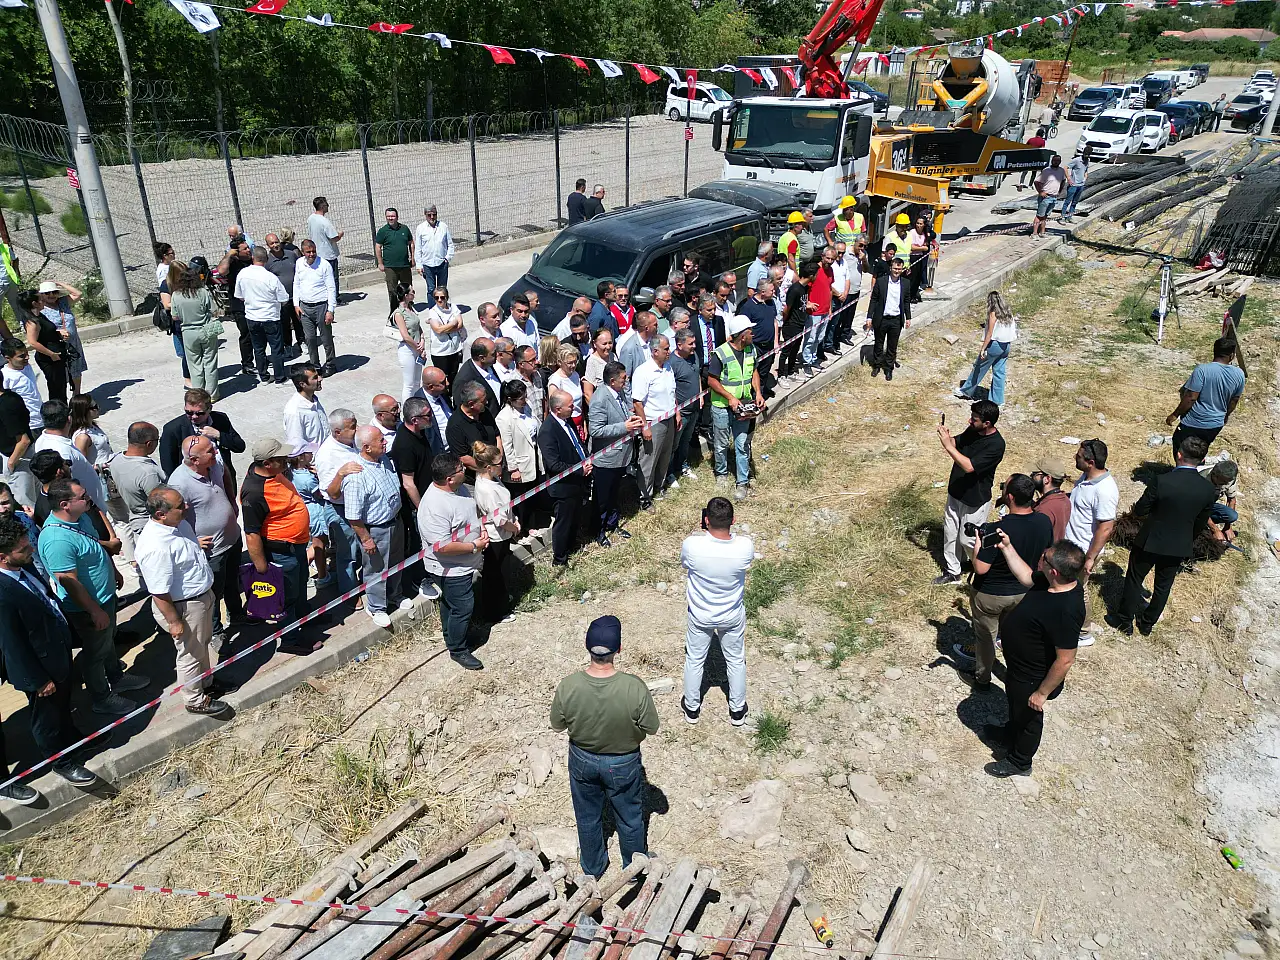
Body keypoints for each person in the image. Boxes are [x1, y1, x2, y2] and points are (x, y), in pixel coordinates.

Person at [550, 615, 659, 879]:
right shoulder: (634, 687)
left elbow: (557, 724)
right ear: (618, 649)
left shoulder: (569, 686)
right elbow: (652, 727)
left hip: (582, 759)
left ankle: (593, 868)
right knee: (629, 817)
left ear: (588, 647)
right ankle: (633, 870)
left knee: (587, 816)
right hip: (623, 762)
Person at [0, 513, 96, 789]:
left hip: (57, 652)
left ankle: (74, 742)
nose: (31, 548)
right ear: (3, 557)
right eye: (23, 548)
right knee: (47, 719)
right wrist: (37, 680)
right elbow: (12, 644)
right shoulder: (3, 592)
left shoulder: (23, 568)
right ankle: (61, 761)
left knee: (64, 706)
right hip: (40, 668)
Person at [38, 478, 147, 715]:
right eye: (83, 496)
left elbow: (94, 548)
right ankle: (101, 698)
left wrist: (113, 569)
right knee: (95, 653)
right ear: (65, 504)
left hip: (105, 598)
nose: (88, 498)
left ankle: (116, 677)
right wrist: (94, 610)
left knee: (107, 643)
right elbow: (69, 581)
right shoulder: (57, 540)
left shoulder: (80, 518)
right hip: (89, 608)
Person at [982, 537, 1086, 778]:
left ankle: (1020, 761)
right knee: (1016, 705)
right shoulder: (1049, 582)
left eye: (1045, 558)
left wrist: (1041, 693)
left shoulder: (1066, 609)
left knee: (1029, 716)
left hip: (1034, 676)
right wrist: (1008, 547)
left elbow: (1065, 659)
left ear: (1054, 570)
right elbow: (1027, 576)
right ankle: (1010, 734)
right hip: (1019, 668)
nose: (1041, 557)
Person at [134, 487, 230, 717]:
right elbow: (158, 592)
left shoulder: (178, 525)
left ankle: (206, 683)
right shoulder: (155, 547)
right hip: (184, 606)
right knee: (190, 653)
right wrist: (174, 621)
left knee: (201, 644)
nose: (186, 507)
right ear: (161, 514)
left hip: (200, 598)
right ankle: (194, 699)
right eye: (180, 506)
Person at [1108, 435, 1217, 636]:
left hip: (1149, 539)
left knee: (1134, 579)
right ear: (1202, 460)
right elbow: (1201, 524)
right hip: (1178, 545)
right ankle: (1147, 623)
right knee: (1162, 587)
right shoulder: (1208, 490)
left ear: (1178, 454)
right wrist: (1187, 538)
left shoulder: (1162, 480)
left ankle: (1124, 621)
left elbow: (1140, 510)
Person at [959, 474, 1055, 687]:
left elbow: (981, 568)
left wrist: (977, 546)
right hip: (1023, 591)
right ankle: (1016, 675)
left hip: (991, 595)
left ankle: (982, 678)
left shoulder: (997, 530)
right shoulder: (1044, 521)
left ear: (1009, 497)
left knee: (986, 638)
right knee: (1012, 636)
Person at [240, 437, 321, 654]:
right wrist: (262, 569)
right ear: (267, 463)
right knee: (287, 598)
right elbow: (252, 534)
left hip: (296, 546)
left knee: (300, 584)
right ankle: (290, 640)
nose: (286, 460)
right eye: (281, 458)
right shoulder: (255, 493)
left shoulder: (272, 472)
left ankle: (305, 619)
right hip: (280, 552)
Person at [680, 497, 754, 726]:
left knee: (694, 659)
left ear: (705, 520)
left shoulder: (692, 545)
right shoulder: (745, 547)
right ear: (733, 520)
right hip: (731, 614)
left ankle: (692, 708)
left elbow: (685, 564)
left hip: (700, 614)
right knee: (735, 660)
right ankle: (737, 710)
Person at [168, 434, 243, 640]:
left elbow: (225, 471)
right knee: (213, 593)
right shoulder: (178, 484)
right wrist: (192, 541)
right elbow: (171, 520)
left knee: (232, 582)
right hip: (212, 550)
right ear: (194, 460)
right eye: (210, 451)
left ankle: (237, 615)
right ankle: (216, 632)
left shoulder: (214, 463)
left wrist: (231, 498)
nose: (216, 453)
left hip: (232, 538)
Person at [418, 452, 487, 670]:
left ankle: (454, 635)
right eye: (460, 470)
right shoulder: (434, 506)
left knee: (452, 602)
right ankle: (458, 649)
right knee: (462, 605)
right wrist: (474, 545)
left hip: (465, 562)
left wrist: (481, 529)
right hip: (450, 567)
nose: (464, 470)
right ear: (449, 478)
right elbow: (442, 546)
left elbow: (470, 514)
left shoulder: (460, 488)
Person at [343, 425, 410, 628]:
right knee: (376, 569)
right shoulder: (356, 476)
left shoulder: (384, 460)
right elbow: (353, 516)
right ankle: (376, 606)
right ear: (366, 447)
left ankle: (394, 595)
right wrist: (366, 538)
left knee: (397, 561)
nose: (385, 442)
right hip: (376, 529)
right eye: (380, 440)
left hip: (395, 522)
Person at [934, 399, 1005, 586]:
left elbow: (969, 466)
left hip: (975, 499)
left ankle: (982, 567)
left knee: (968, 539)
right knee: (950, 533)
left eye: (974, 419)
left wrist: (948, 446)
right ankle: (953, 572)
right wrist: (947, 437)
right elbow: (957, 442)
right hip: (956, 492)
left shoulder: (996, 445)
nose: (969, 421)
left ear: (987, 423)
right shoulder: (973, 431)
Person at [1064, 439, 1118, 647]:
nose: (1074, 458)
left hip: (1082, 549)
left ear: (1091, 462)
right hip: (1071, 543)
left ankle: (1084, 632)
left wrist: (1090, 558)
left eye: (1078, 457)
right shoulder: (1086, 477)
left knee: (1079, 590)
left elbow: (1105, 528)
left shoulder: (1104, 490)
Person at [709, 315, 764, 501]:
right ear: (742, 335)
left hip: (744, 406)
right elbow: (711, 380)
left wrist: (757, 392)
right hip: (722, 406)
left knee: (742, 444)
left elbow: (754, 371)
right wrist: (730, 397)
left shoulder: (751, 350)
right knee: (722, 444)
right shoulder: (720, 353)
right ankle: (722, 473)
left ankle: (742, 482)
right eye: (750, 331)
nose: (753, 334)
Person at [588, 361, 640, 548]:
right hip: (606, 459)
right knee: (602, 499)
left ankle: (612, 523)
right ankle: (598, 531)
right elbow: (596, 430)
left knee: (613, 495)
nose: (626, 382)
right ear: (612, 381)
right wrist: (624, 427)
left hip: (621, 456)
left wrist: (631, 420)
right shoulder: (600, 399)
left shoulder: (618, 393)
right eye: (623, 379)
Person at [538, 390, 591, 567]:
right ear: (558, 409)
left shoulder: (567, 421)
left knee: (575, 517)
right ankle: (559, 559)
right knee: (564, 522)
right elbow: (553, 464)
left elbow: (577, 443)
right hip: (562, 486)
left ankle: (571, 546)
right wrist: (579, 470)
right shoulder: (548, 431)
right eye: (570, 405)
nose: (573, 408)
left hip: (577, 482)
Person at [159, 388, 246, 495]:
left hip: (223, 479)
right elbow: (168, 465)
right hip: (194, 486)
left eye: (199, 413)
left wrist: (218, 435)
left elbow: (239, 446)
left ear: (209, 409)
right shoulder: (172, 429)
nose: (194, 417)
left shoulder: (220, 419)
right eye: (189, 412)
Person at [1166, 336, 1245, 453]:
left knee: (1181, 450)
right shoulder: (1239, 374)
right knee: (1200, 451)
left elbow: (1191, 397)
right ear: (1232, 355)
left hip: (1193, 423)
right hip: (1215, 425)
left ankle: (1182, 470)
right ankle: (1197, 469)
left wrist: (1174, 415)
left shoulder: (1202, 370)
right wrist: (1225, 416)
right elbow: (1234, 401)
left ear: (1214, 351)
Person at [315, 409, 365, 594]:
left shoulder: (353, 442)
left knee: (360, 550)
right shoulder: (327, 455)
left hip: (359, 506)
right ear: (337, 432)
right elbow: (332, 493)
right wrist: (341, 474)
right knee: (348, 554)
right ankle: (349, 592)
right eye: (352, 427)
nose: (357, 429)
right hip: (341, 510)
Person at [471, 441, 520, 622]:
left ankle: (499, 604)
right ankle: (495, 612)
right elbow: (499, 519)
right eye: (500, 464)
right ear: (489, 467)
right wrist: (514, 527)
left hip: (503, 532)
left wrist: (514, 518)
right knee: (495, 575)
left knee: (498, 572)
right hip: (496, 537)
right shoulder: (487, 490)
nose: (503, 466)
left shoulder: (492, 479)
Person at [32, 399, 108, 514]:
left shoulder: (42, 440)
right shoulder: (62, 451)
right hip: (87, 510)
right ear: (69, 419)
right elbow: (67, 488)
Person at [632, 334, 678, 508]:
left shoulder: (668, 367)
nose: (669, 352)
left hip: (669, 418)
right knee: (648, 461)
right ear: (655, 351)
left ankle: (659, 486)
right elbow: (637, 402)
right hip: (653, 422)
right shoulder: (643, 372)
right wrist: (645, 427)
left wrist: (677, 413)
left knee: (665, 456)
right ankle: (644, 496)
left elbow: (671, 393)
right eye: (666, 349)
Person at [103, 421, 166, 548]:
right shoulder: (148, 473)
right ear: (149, 443)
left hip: (136, 521)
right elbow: (163, 505)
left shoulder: (116, 461)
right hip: (154, 527)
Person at [236, 246, 291, 385]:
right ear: (266, 260)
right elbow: (284, 298)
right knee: (276, 349)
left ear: (252, 258)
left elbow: (240, 296)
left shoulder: (242, 274)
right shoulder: (270, 277)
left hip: (252, 317)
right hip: (270, 317)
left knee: (258, 348)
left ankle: (264, 376)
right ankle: (280, 378)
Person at [288, 443, 339, 588]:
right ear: (302, 457)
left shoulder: (292, 473)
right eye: (309, 453)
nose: (312, 455)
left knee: (316, 543)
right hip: (315, 513)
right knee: (319, 545)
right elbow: (321, 494)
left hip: (305, 510)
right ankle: (322, 577)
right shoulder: (307, 479)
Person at [495, 379, 541, 534]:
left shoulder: (526, 408)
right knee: (520, 499)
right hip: (519, 464)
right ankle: (520, 528)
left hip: (532, 456)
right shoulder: (504, 418)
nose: (525, 401)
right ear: (510, 400)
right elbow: (507, 446)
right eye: (521, 399)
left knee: (532, 494)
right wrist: (513, 468)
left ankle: (531, 523)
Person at [168, 261, 221, 397]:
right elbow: (214, 310)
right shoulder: (202, 292)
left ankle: (199, 396)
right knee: (210, 363)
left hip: (188, 332)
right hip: (206, 329)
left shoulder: (176, 295)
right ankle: (213, 394)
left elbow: (175, 317)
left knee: (194, 365)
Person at [956, 291, 1017, 405]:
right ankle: (997, 400)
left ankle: (966, 391)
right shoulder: (1007, 313)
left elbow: (990, 333)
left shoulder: (993, 314)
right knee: (999, 373)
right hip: (1006, 345)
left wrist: (983, 348)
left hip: (994, 345)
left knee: (979, 368)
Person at [292, 239, 338, 377]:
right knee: (310, 338)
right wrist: (296, 304)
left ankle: (331, 364)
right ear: (303, 252)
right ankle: (315, 366)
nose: (311, 254)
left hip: (321, 306)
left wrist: (331, 309)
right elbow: (296, 284)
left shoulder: (324, 265)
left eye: (313, 251)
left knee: (326, 338)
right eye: (308, 252)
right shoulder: (299, 263)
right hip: (305, 307)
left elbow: (331, 287)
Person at [866, 257, 912, 382]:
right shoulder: (881, 282)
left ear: (902, 269)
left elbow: (906, 301)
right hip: (882, 318)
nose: (897, 271)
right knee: (879, 344)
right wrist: (869, 316)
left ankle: (889, 368)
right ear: (891, 268)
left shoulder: (906, 283)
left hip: (896, 320)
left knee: (892, 346)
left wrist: (908, 317)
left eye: (899, 268)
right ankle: (876, 365)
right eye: (895, 268)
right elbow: (874, 300)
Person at [666, 329, 702, 488]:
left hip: (694, 410)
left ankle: (683, 465)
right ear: (679, 345)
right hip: (681, 413)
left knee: (686, 441)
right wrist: (677, 412)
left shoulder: (693, 356)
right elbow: (670, 389)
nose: (694, 346)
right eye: (691, 343)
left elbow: (698, 375)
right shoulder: (672, 363)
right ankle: (669, 473)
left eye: (694, 342)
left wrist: (700, 394)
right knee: (674, 444)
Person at [21, 289, 70, 405]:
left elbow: (45, 333)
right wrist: (51, 354)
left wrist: (58, 333)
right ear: (35, 303)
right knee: (56, 388)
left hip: (56, 355)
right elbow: (32, 342)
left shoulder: (39, 315)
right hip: (49, 358)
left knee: (61, 386)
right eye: (41, 299)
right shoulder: (32, 321)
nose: (44, 301)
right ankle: (57, 415)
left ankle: (63, 412)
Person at [217, 239, 255, 376]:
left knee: (259, 333)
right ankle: (247, 364)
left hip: (255, 303)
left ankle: (261, 359)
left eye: (248, 247)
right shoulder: (232, 263)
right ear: (236, 252)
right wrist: (228, 255)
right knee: (246, 335)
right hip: (239, 305)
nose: (248, 250)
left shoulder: (252, 260)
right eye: (245, 249)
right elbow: (221, 271)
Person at [448, 381, 502, 477]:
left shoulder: (485, 412)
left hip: (495, 469)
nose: (487, 402)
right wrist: (488, 470)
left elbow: (497, 436)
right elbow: (463, 457)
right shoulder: (455, 425)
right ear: (471, 404)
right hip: (477, 478)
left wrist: (498, 462)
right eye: (483, 401)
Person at [0, 361, 35, 508]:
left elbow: (23, 441)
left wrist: (11, 464)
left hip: (19, 459)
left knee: (25, 505)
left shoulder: (5, 406)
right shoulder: (12, 396)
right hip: (25, 456)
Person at [264, 233, 305, 359]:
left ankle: (302, 342)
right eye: (272, 243)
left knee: (300, 320)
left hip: (296, 296)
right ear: (268, 245)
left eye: (276, 242)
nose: (275, 245)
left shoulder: (291, 254)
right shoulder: (267, 261)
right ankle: (287, 346)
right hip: (281, 299)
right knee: (284, 323)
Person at [390, 282, 427, 402]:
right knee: (409, 384)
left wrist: (422, 339)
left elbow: (417, 325)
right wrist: (418, 348)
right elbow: (405, 336)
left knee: (417, 382)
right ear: (406, 295)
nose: (414, 294)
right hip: (408, 350)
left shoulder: (412, 308)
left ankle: (417, 405)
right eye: (412, 292)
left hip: (417, 347)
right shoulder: (398, 313)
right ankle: (407, 409)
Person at [2, 339, 43, 447]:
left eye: (26, 354)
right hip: (29, 425)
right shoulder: (5, 377)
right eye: (21, 356)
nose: (27, 358)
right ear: (8, 358)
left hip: (41, 419)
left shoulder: (27, 367)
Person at [375, 207, 415, 313]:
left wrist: (413, 258)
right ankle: (394, 310)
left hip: (404, 265)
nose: (390, 218)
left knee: (408, 287)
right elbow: (378, 247)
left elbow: (411, 243)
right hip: (390, 267)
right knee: (392, 290)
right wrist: (380, 263)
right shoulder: (383, 231)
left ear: (397, 217)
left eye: (392, 216)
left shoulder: (404, 229)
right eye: (388, 216)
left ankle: (409, 307)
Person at [453, 338, 502, 421]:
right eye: (493, 354)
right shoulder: (465, 380)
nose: (497, 355)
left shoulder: (488, 365)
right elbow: (463, 412)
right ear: (482, 358)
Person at [777, 264, 812, 383]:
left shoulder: (805, 288)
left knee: (795, 349)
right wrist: (785, 322)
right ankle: (781, 375)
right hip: (791, 325)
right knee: (786, 350)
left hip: (800, 324)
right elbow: (787, 308)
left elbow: (802, 303)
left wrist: (808, 305)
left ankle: (791, 371)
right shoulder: (795, 289)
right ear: (811, 275)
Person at [282, 366, 328, 454]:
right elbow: (296, 447)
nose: (320, 379)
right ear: (302, 384)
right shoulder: (294, 412)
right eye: (315, 378)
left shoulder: (313, 400)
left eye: (318, 375)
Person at [425, 285, 465, 384]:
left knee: (454, 376)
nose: (439, 300)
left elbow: (460, 324)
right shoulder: (433, 312)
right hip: (440, 352)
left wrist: (445, 328)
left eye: (442, 297)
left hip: (455, 349)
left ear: (446, 297)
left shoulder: (453, 307)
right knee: (442, 379)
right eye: (436, 298)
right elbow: (438, 330)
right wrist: (452, 324)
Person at [307, 196, 344, 299]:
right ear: (323, 206)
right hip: (328, 254)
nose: (328, 206)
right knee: (332, 277)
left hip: (317, 252)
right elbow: (334, 238)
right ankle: (334, 297)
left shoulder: (311, 218)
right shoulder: (325, 222)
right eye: (326, 204)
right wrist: (340, 234)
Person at [415, 205, 455, 298]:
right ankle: (432, 310)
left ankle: (443, 309)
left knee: (442, 289)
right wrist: (419, 265)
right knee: (431, 289)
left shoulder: (443, 226)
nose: (432, 217)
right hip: (427, 264)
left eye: (434, 214)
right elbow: (418, 248)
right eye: (429, 215)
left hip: (442, 263)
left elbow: (450, 244)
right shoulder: (420, 228)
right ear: (425, 215)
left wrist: (447, 258)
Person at [1030, 457, 1072, 540]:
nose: (1031, 476)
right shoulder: (1064, 499)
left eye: (1035, 474)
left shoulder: (1044, 509)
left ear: (1047, 479)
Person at [1200, 459, 1239, 544]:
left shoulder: (1229, 480)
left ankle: (1207, 522)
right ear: (1214, 475)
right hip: (1195, 507)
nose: (1225, 485)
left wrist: (1228, 526)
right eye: (1222, 482)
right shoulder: (1201, 480)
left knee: (1232, 516)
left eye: (1227, 482)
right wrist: (1215, 530)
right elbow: (1199, 507)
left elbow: (1231, 500)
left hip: (1209, 505)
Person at [417, 366, 454, 452]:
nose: (448, 383)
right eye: (443, 382)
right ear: (431, 387)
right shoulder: (419, 406)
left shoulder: (442, 393)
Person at [1032, 156, 1066, 239]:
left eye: (1058, 161)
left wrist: (1059, 192)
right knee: (1039, 215)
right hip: (1046, 197)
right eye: (1054, 160)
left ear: (1060, 161)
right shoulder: (1046, 170)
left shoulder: (1061, 171)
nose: (1056, 162)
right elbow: (1036, 182)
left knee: (1046, 216)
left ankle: (1042, 232)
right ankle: (1034, 233)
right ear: (1052, 161)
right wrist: (1040, 192)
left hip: (1054, 197)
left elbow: (1063, 181)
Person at [619, 310, 658, 379]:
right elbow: (625, 377)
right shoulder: (629, 348)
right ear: (647, 328)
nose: (657, 327)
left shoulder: (654, 341)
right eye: (655, 325)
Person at [1060, 146, 1091, 223]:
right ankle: (1062, 217)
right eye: (1085, 154)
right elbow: (1065, 168)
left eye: (1088, 155)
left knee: (1074, 202)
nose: (1086, 156)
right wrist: (1069, 178)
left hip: (1081, 185)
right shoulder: (1076, 160)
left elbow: (1086, 170)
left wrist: (1085, 177)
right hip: (1073, 185)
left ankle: (1070, 217)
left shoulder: (1087, 161)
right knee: (1067, 201)